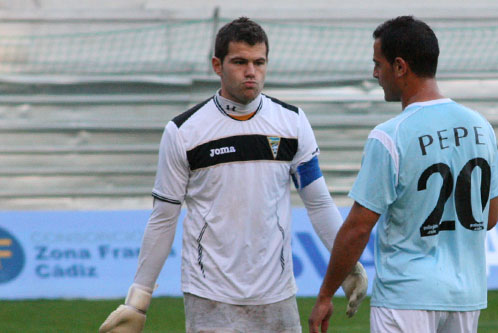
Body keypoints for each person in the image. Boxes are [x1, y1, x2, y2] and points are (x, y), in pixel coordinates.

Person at [99, 17, 367, 333]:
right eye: (240, 62)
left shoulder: (293, 123)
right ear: (217, 65)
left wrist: (347, 266)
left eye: (259, 62)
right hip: (209, 297)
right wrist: (138, 301)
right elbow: (164, 218)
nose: (251, 71)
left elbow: (319, 203)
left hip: (277, 295)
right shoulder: (184, 132)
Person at [309, 15, 498, 333]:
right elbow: (491, 216)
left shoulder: (389, 136)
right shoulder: (481, 127)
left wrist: (326, 293)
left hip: (406, 294)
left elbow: (358, 228)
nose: (374, 73)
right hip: (466, 296)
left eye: (378, 63)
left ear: (400, 67)